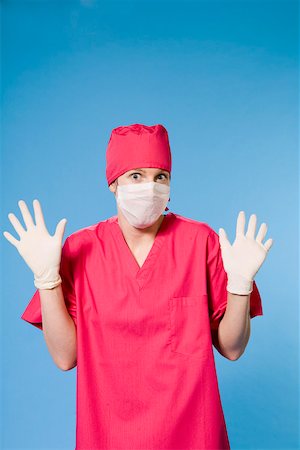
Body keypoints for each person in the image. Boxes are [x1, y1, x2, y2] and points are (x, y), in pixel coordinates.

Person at [3, 123, 273, 449]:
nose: (150, 187)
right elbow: (65, 358)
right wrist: (47, 280)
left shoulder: (201, 242)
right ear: (113, 184)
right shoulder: (82, 250)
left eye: (160, 176)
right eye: (136, 176)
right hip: (107, 436)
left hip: (193, 436)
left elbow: (232, 348)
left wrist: (240, 286)